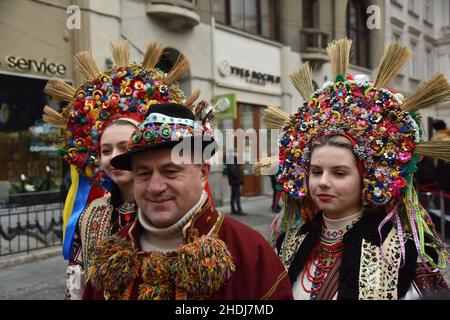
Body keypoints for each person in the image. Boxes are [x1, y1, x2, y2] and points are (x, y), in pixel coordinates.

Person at [258, 39, 450, 299]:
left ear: (367, 178)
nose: (322, 182)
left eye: (339, 173)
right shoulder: (290, 243)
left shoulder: (401, 254)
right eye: (316, 171)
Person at [82, 102, 293, 300]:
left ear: (203, 173)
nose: (155, 187)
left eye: (171, 172)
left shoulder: (250, 254)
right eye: (143, 174)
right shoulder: (109, 257)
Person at [43, 41, 197, 299]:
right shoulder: (92, 214)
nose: (114, 157)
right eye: (105, 150)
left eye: (125, 146)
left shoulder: (167, 207)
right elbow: (76, 279)